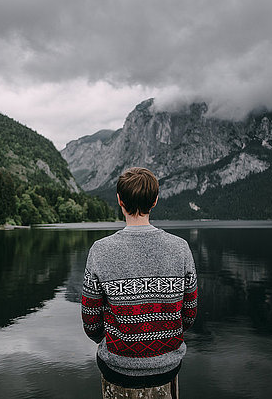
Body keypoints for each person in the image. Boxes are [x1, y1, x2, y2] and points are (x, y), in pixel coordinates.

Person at [81, 167, 198, 399]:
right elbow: (189, 314)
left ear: (119, 200)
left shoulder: (100, 250)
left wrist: (114, 342)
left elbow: (90, 320)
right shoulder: (180, 248)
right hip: (167, 368)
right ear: (154, 201)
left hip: (116, 367)